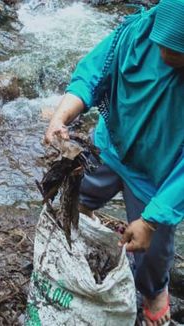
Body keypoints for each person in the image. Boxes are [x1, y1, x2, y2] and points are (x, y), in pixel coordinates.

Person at [44, 1, 184, 325]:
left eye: (177, 49)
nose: (164, 52)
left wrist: (150, 222)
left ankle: (154, 291)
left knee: (153, 254)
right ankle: (76, 250)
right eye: (161, 41)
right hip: (110, 146)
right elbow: (93, 72)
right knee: (72, 198)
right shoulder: (136, 33)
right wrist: (61, 115)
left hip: (159, 178)